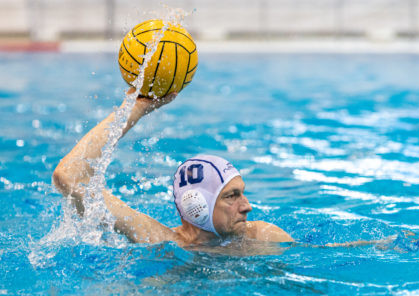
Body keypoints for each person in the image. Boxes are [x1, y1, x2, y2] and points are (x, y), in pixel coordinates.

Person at [52, 88, 392, 249]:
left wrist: (385, 244)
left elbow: (318, 259)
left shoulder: (260, 236)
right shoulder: (163, 243)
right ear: (196, 207)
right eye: (231, 196)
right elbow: (67, 176)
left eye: (242, 193)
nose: (247, 206)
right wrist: (137, 109)